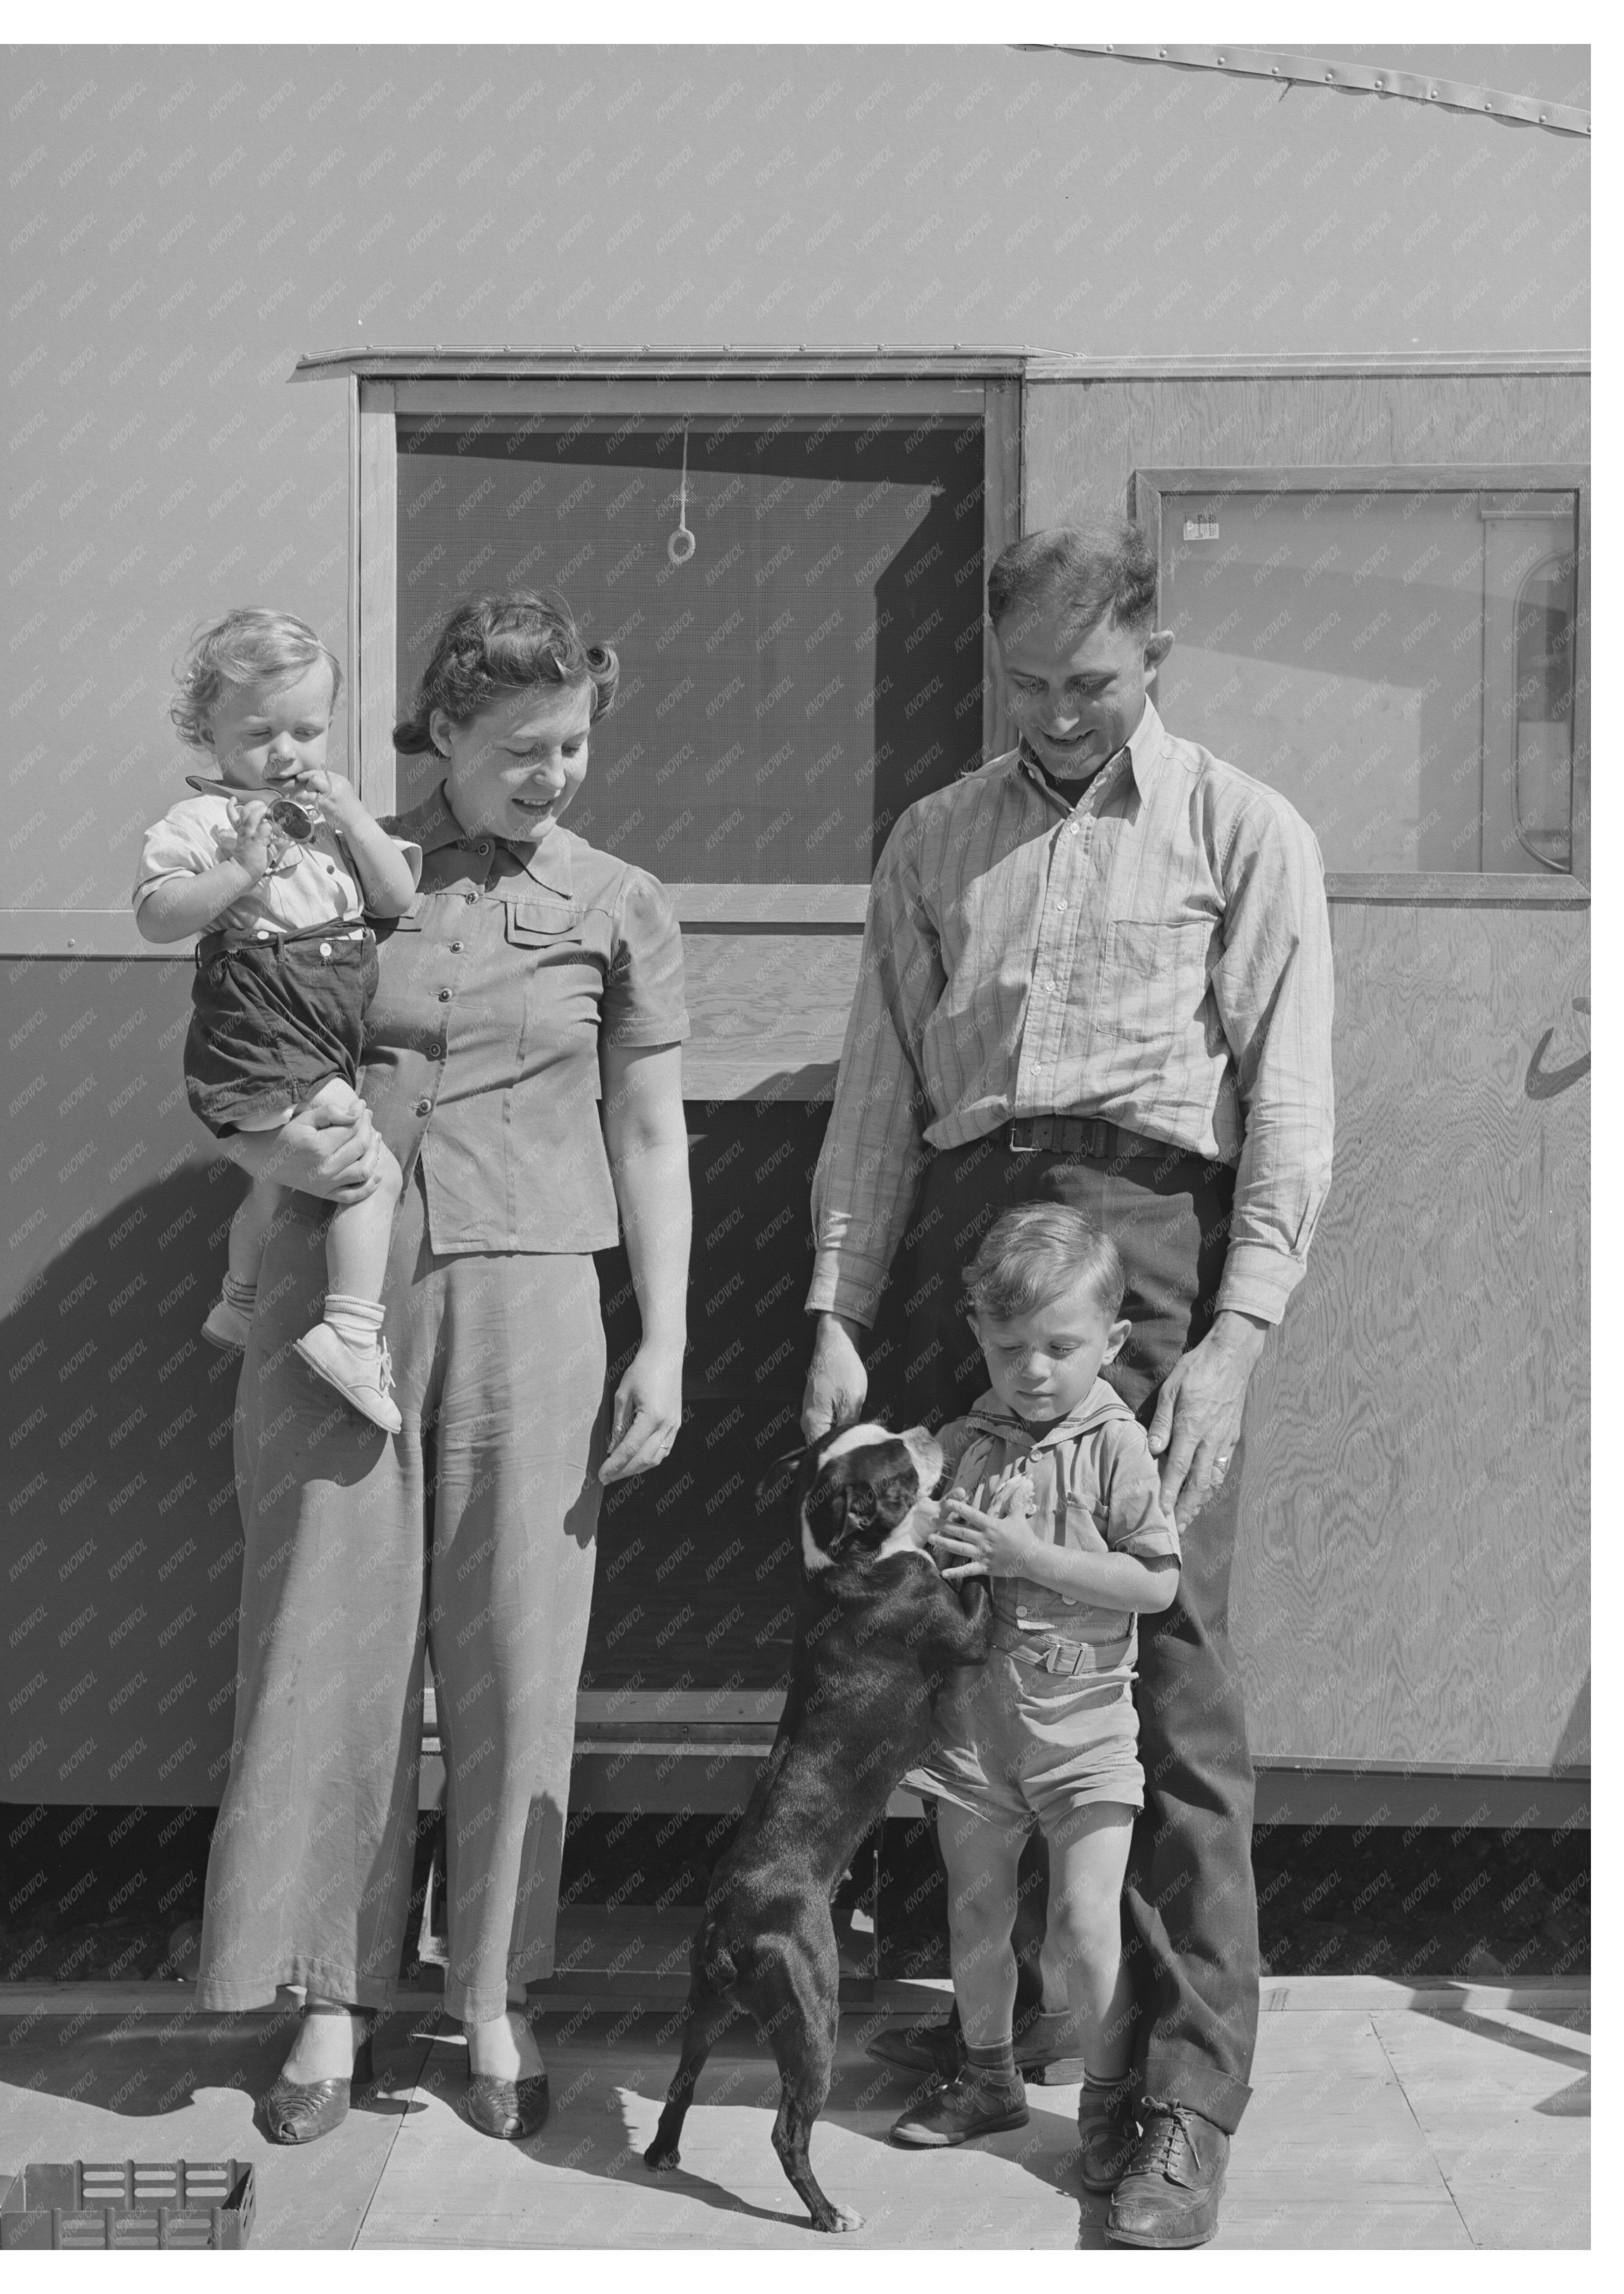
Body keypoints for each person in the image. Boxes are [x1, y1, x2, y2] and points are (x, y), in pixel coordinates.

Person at [803, 519, 1334, 2248]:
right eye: (1025, 683)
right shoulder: (932, 838)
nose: (1054, 714)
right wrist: (837, 1308)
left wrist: (1235, 1343)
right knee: (948, 1672)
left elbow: (1291, 1113)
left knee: (1159, 1689)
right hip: (973, 1245)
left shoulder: (1241, 833)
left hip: (1148, 1265)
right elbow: (879, 1098)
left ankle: (1169, 2103)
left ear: (1153, 653)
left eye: (1088, 682)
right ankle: (985, 2046)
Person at [194, 593, 692, 2147]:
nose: (554, 775)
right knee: (326, 1642)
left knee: (513, 1653)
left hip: (535, 1295)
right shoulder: (345, 868)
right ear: (447, 739)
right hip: (339, 1291)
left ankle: (492, 1996)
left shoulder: (622, 903)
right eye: (520, 750)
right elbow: (268, 1052)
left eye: (574, 748)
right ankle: (329, 2002)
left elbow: (648, 1131)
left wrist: (663, 1336)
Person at [889, 1205, 1179, 2199]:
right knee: (974, 1920)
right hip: (974, 1732)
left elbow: (1154, 1584)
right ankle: (985, 2078)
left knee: (1082, 1926)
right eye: (1009, 1346)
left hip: (1085, 1735)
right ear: (977, 1332)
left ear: (1111, 1341)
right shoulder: (965, 1440)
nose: (1033, 1370)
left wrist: (1030, 1557)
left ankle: (1107, 2103)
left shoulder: (1115, 1446)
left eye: (1060, 1347)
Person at [134, 610, 420, 1430]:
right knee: (372, 1174)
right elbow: (158, 916)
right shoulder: (200, 824)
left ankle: (239, 1300)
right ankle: (352, 1335)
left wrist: (355, 819)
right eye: (260, 733)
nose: (286, 753)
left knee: (270, 1176)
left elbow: (396, 898)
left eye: (306, 730)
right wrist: (238, 869)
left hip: (322, 1033)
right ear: (208, 733)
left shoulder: (333, 822)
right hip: (265, 1027)